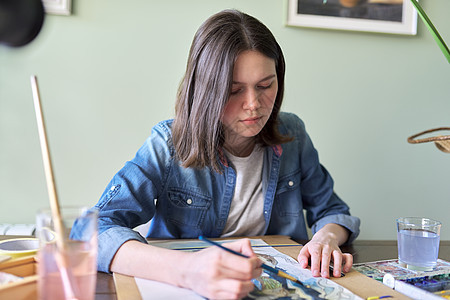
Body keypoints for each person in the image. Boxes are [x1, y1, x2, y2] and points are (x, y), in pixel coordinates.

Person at [72, 9, 360, 299]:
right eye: (234, 90)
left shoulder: (293, 134)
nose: (253, 104)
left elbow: (333, 211)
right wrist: (187, 269)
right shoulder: (168, 144)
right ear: (206, 90)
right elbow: (90, 232)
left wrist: (326, 237)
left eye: (265, 85)